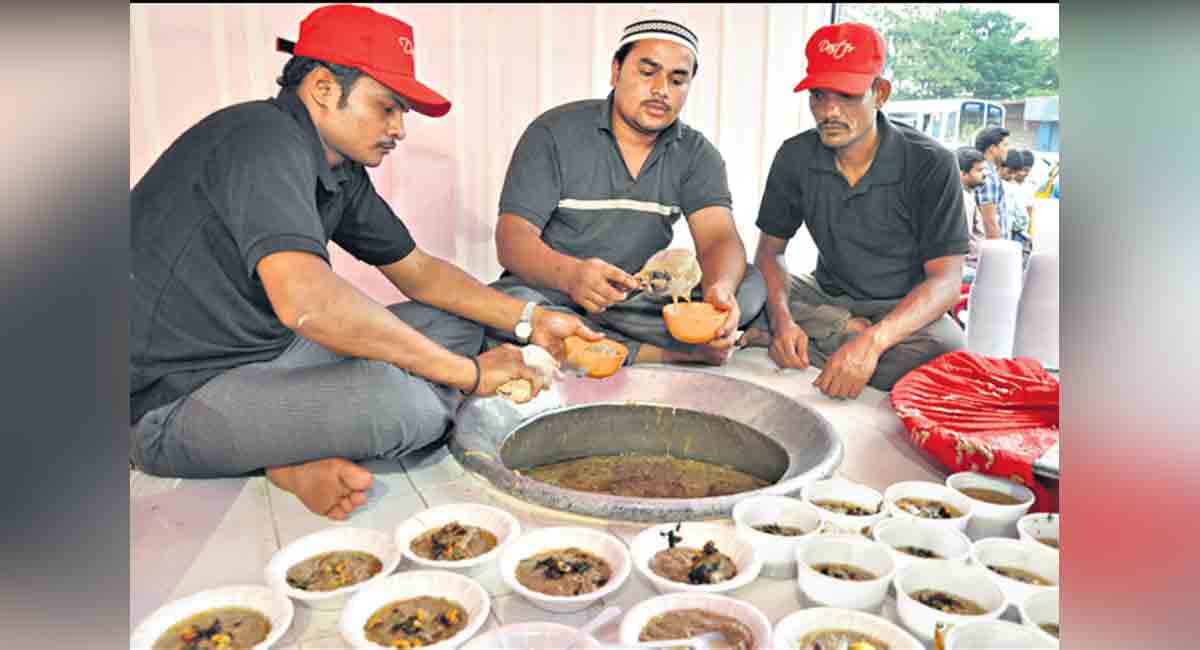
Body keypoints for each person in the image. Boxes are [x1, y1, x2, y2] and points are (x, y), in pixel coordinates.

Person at [130, 5, 600, 520]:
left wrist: (530, 321)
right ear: (325, 88)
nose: (399, 128)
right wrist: (466, 375)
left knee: (469, 320)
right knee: (409, 412)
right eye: (387, 108)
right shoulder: (259, 139)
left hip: (273, 355)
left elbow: (418, 272)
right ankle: (286, 457)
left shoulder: (340, 170)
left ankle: (297, 441)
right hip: (173, 400)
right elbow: (308, 303)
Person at [487, 13, 766, 366]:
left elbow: (718, 238)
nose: (662, 89)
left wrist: (719, 290)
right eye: (647, 72)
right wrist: (572, 276)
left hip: (637, 298)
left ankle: (584, 344)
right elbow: (511, 240)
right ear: (616, 71)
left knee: (749, 286)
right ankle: (667, 352)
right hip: (557, 289)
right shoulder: (554, 132)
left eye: (677, 80)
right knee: (502, 306)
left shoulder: (696, 153)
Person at [742, 22, 968, 399]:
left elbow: (945, 282)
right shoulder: (794, 156)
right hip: (824, 294)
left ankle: (805, 341)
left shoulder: (931, 163)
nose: (829, 111)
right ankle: (835, 330)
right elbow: (769, 252)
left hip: (899, 306)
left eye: (847, 96)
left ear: (880, 93)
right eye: (818, 95)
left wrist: (872, 343)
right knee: (740, 288)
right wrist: (783, 323)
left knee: (946, 344)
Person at [973, 126, 1011, 243]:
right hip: (993, 249)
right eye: (1005, 145)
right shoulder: (988, 175)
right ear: (992, 148)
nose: (1007, 149)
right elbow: (989, 221)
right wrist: (999, 252)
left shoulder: (985, 171)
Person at [957, 147, 989, 283]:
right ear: (962, 173)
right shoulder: (962, 198)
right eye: (979, 170)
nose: (985, 174)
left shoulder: (968, 194)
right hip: (967, 269)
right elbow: (962, 239)